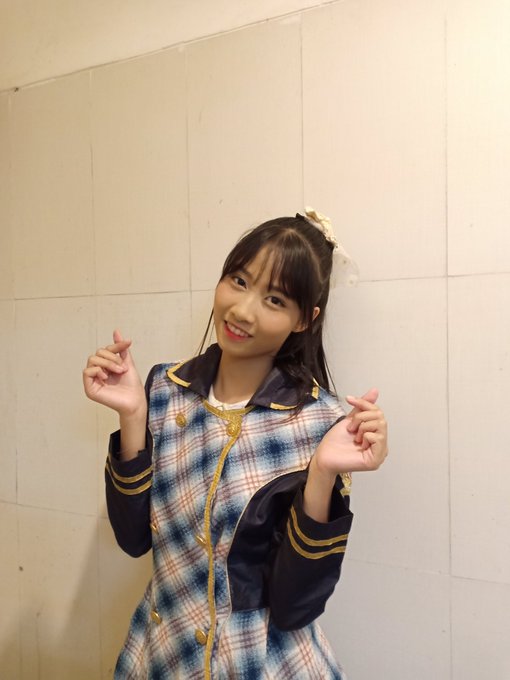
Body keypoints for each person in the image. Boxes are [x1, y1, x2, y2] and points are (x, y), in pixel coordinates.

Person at [83, 209, 388, 680]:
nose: (242, 311)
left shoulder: (321, 423)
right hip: (164, 650)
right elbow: (133, 539)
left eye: (274, 299)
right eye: (239, 281)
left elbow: (294, 606)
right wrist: (132, 417)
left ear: (304, 319)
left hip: (259, 661)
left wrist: (323, 473)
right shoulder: (164, 389)